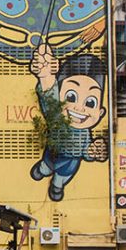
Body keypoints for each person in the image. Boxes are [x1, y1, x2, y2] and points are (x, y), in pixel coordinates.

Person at [29, 45, 108, 201]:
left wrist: (93, 152)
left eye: (90, 102)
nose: (79, 108)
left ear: (100, 112)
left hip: (70, 163)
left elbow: (86, 151)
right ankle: (43, 171)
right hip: (53, 155)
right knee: (45, 168)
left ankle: (56, 186)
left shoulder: (84, 135)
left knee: (61, 178)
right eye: (71, 97)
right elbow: (48, 93)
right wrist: (45, 75)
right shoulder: (56, 116)